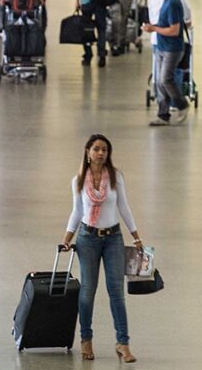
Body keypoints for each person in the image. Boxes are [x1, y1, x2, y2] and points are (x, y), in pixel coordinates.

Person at [59, 134, 142, 363]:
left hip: (113, 238)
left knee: (117, 292)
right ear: (88, 152)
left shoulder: (116, 177)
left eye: (104, 149)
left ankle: (123, 343)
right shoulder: (78, 180)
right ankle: (86, 339)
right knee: (87, 291)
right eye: (96, 149)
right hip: (87, 238)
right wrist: (67, 238)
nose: (101, 153)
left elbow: (124, 206)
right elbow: (77, 211)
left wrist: (135, 236)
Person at [142, 0, 188, 125]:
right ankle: (163, 114)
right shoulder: (167, 1)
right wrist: (152, 27)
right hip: (162, 47)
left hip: (171, 49)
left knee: (166, 79)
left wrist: (154, 29)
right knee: (160, 82)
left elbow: (174, 30)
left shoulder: (173, 3)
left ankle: (182, 104)